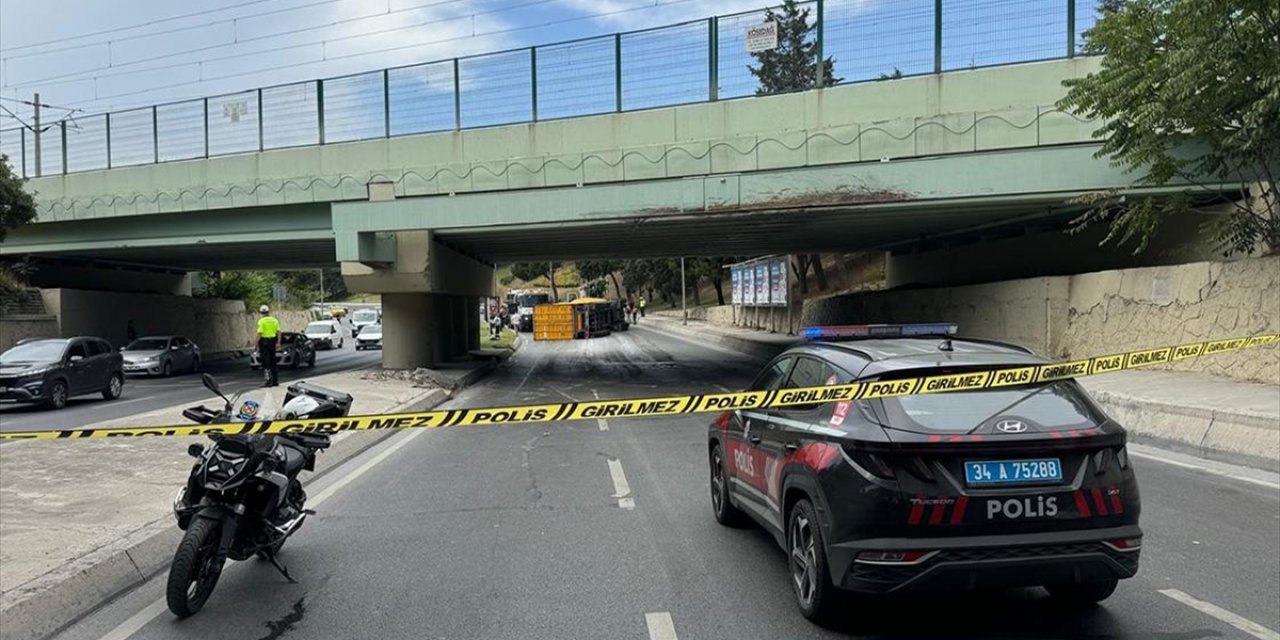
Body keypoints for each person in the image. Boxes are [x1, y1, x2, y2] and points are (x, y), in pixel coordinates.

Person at [257, 305, 281, 388]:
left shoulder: (261, 321)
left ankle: (268, 381)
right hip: (273, 342)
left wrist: (255, 344)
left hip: (264, 342)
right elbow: (278, 332)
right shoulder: (275, 320)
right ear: (268, 312)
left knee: (266, 363)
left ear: (261, 313)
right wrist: (278, 342)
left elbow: (260, 333)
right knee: (273, 362)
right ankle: (275, 381)